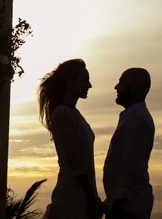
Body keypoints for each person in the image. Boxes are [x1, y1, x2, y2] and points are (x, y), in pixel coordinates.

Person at [38, 59, 101, 219]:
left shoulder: (74, 113)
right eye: (85, 80)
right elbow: (74, 161)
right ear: (70, 82)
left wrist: (93, 195)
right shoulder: (62, 114)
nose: (90, 85)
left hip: (83, 192)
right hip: (73, 194)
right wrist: (89, 193)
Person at [103, 68, 155, 219]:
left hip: (129, 210)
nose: (116, 87)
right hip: (125, 207)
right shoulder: (131, 118)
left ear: (134, 87)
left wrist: (115, 209)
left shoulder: (137, 120)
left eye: (121, 82)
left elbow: (130, 169)